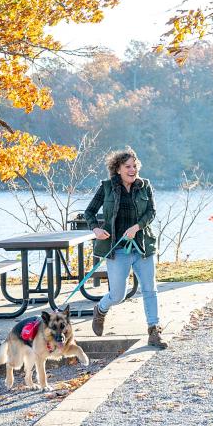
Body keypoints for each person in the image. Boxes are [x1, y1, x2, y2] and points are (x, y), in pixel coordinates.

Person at [83, 149, 165, 349]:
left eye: (134, 166)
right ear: (117, 169)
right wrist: (96, 229)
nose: (132, 169)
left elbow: (152, 212)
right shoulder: (107, 187)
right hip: (117, 249)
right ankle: (101, 309)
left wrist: (137, 227)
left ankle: (154, 330)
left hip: (142, 246)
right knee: (118, 295)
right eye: (127, 166)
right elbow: (89, 212)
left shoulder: (144, 186)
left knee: (149, 289)